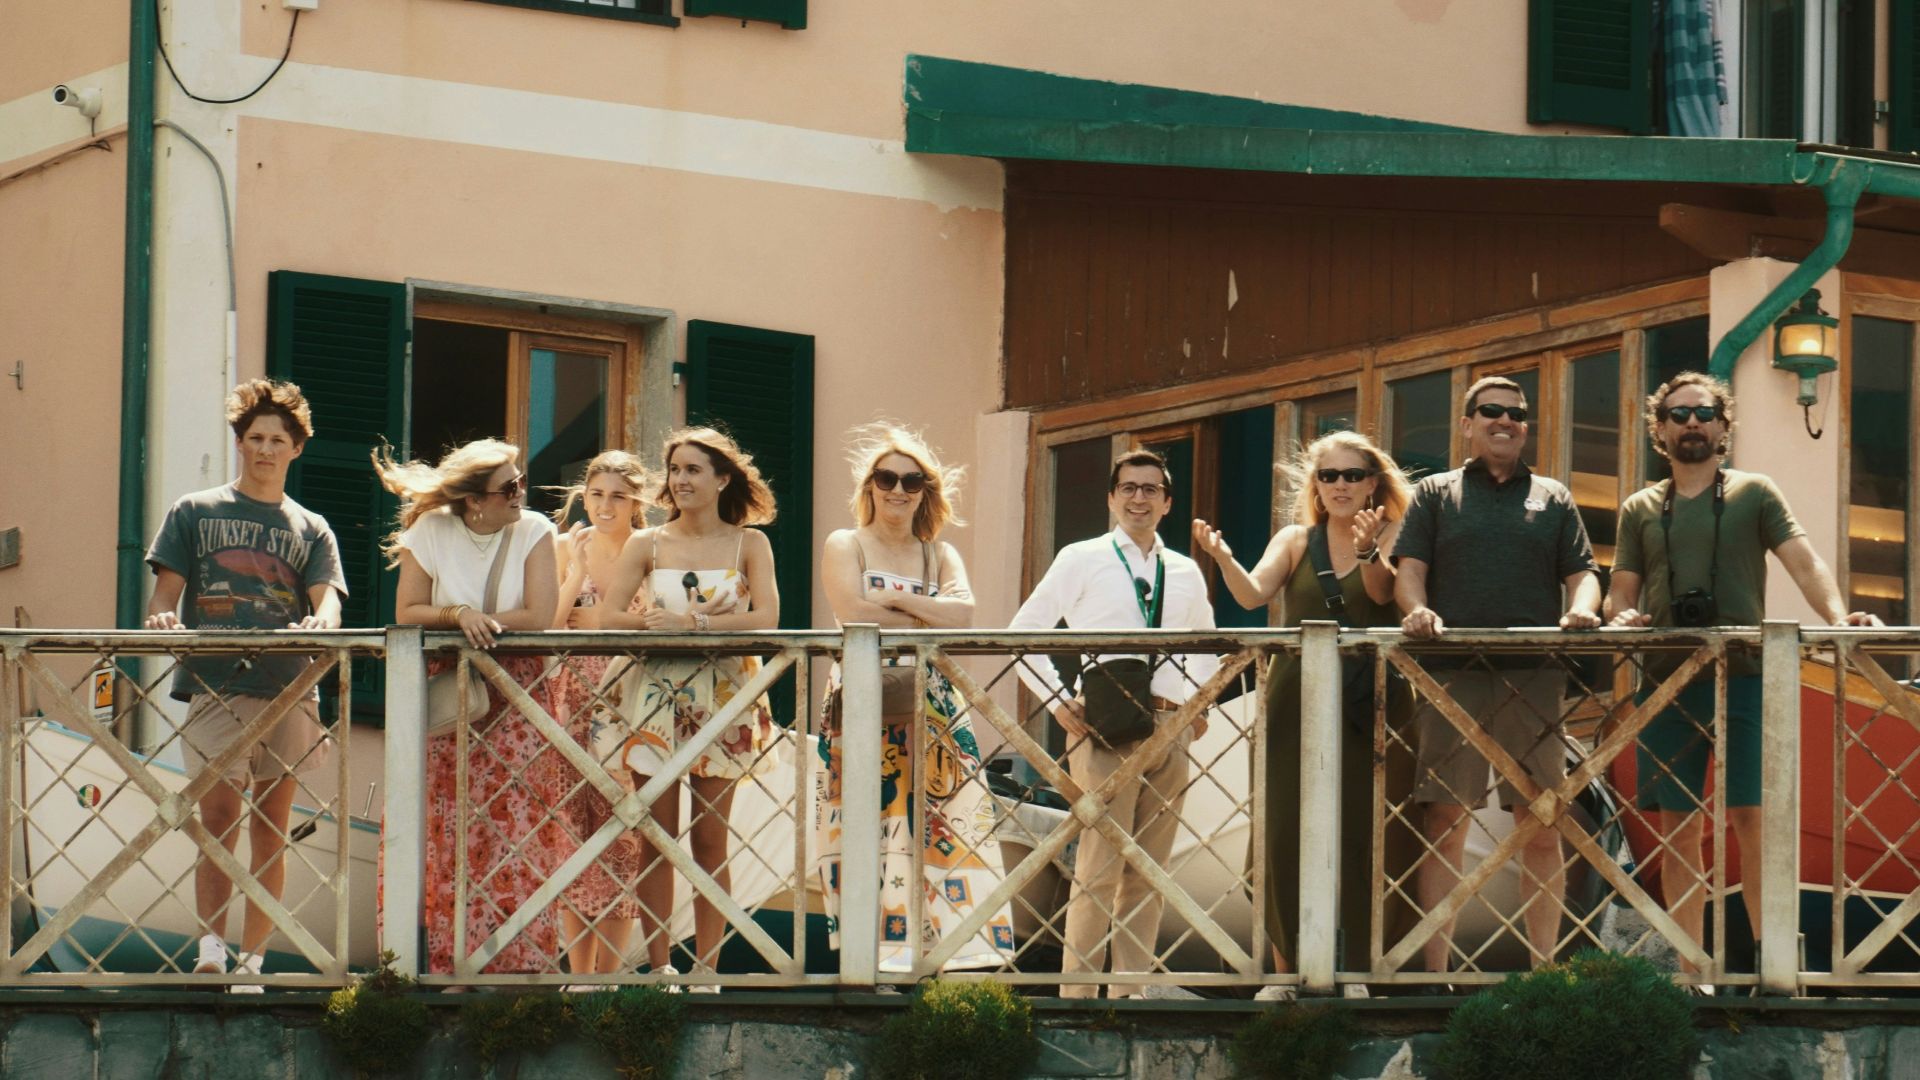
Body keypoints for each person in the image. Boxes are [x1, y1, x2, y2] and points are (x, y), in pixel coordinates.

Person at [1605, 371, 1880, 977]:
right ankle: (1692, 972)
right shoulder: (1640, 508)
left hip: (1748, 677)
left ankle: (1768, 966)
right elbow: (1619, 590)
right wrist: (1619, 613)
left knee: (1755, 821)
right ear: (1660, 430)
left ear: (1725, 425)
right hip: (1667, 684)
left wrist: (1838, 621)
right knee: (1678, 829)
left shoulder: (1755, 492)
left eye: (1704, 413)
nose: (1693, 423)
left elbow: (1803, 562)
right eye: (1678, 415)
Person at [1192, 430, 1418, 988]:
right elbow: (1251, 596)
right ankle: (1284, 972)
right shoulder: (1295, 539)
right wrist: (1222, 558)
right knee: (1280, 830)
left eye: (1352, 475)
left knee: (1368, 832)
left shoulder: (1393, 531)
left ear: (1373, 482)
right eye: (1328, 476)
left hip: (1372, 701)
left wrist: (1367, 550)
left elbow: (1385, 594)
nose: (1340, 486)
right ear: (1316, 486)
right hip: (1294, 699)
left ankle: (1361, 969)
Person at [1393, 375, 1602, 975]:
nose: (1504, 421)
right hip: (1451, 675)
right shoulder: (1435, 492)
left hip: (1533, 675)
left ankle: (1543, 974)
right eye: (1490, 411)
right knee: (1445, 822)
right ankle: (1436, 978)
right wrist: (1417, 610)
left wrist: (1583, 606)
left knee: (1540, 820)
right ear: (1467, 423)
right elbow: (1410, 574)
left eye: (1516, 413)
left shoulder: (1554, 496)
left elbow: (1582, 573)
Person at [144, 379, 346, 990]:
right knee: (217, 819)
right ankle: (211, 951)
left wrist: (322, 621)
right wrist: (160, 619)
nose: (265, 449)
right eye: (255, 438)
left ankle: (253, 963)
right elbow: (162, 598)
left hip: (289, 688)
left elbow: (329, 600)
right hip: (215, 684)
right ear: (239, 443)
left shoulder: (312, 527)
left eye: (277, 440)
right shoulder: (195, 511)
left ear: (296, 449)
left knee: (271, 829)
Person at [1009, 448, 1220, 999]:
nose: (1138, 498)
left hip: (1169, 729)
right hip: (1103, 730)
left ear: (1167, 502)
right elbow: (1023, 632)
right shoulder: (1083, 557)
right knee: (1100, 868)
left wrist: (1198, 709)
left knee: (1149, 871)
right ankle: (1078, 998)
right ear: (1111, 497)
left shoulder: (1185, 570)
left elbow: (1209, 646)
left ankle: (1130, 995)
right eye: (1128, 487)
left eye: (1150, 489)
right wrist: (1057, 702)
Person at [814, 424, 1016, 973]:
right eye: (886, 478)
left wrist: (884, 597)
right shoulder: (845, 543)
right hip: (862, 701)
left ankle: (957, 955)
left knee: (952, 821)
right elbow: (852, 612)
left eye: (911, 480)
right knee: (867, 823)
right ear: (871, 487)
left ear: (926, 490)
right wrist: (922, 608)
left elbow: (967, 614)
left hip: (935, 705)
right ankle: (873, 958)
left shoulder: (939, 553)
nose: (898, 489)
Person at [598, 427, 779, 987]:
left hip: (723, 696)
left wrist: (693, 623)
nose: (680, 480)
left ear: (723, 479)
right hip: (654, 697)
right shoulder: (646, 544)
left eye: (694, 469)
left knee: (709, 839)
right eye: (675, 469)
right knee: (655, 836)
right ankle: (659, 967)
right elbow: (610, 616)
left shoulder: (750, 544)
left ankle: (707, 969)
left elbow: (767, 618)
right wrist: (657, 626)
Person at [373, 438, 562, 975]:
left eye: (521, 481)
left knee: (516, 831)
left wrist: (486, 624)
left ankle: (517, 970)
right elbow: (407, 608)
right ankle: (447, 967)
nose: (520, 492)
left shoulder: (535, 530)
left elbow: (541, 615)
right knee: (447, 828)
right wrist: (458, 614)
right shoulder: (430, 531)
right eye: (509, 487)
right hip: (449, 690)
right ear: (476, 499)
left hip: (518, 693)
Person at [544, 450, 655, 984]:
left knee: (624, 840)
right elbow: (549, 623)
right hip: (568, 703)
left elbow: (657, 624)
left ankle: (608, 978)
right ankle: (577, 976)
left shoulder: (652, 548)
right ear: (582, 496)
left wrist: (608, 622)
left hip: (630, 703)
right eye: (596, 494)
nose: (605, 505)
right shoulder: (566, 544)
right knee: (569, 835)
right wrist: (579, 576)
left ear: (637, 502)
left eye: (618, 496)